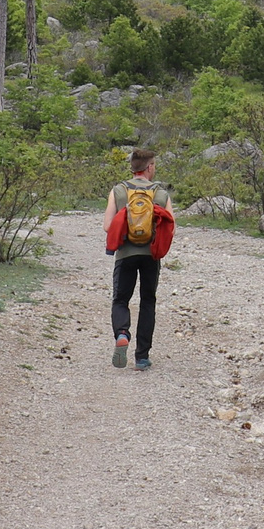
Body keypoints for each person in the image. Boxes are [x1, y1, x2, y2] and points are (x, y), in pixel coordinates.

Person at [103, 148, 174, 370]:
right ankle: (142, 357)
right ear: (149, 167)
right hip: (150, 256)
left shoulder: (118, 191)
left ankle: (122, 333)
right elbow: (171, 228)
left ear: (132, 168)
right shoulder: (161, 194)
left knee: (121, 299)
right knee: (147, 301)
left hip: (125, 254)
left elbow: (107, 226)